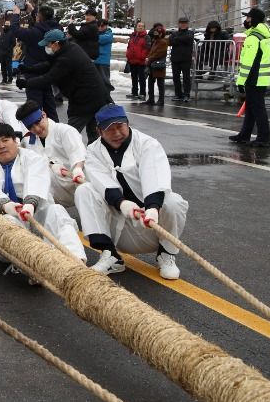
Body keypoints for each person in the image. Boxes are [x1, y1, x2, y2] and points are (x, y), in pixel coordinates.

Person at [75, 104, 188, 280]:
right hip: (120, 225)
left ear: (128, 123)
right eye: (109, 129)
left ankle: (166, 254)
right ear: (99, 131)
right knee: (85, 190)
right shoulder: (93, 151)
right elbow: (101, 183)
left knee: (174, 202)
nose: (117, 133)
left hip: (152, 225)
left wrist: (152, 208)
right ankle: (111, 255)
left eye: (120, 126)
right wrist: (123, 203)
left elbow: (155, 177)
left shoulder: (147, 144)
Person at [0, 122, 86, 269]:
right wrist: (6, 206)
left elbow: (36, 178)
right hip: (10, 215)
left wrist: (30, 204)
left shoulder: (32, 157)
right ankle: (31, 267)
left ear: (15, 141)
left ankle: (76, 262)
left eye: (5, 140)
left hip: (37, 212)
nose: (1, 146)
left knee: (57, 212)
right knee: (8, 222)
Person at [16, 29, 111, 142]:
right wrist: (29, 69)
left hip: (85, 100)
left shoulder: (67, 57)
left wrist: (26, 83)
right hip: (94, 97)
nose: (46, 47)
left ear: (55, 43)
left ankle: (61, 156)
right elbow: (50, 65)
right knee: (94, 136)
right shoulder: (68, 49)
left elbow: (49, 78)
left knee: (68, 134)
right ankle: (95, 156)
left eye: (48, 44)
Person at [15, 100, 86, 207]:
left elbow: (78, 155)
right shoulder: (28, 141)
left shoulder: (65, 131)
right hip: (54, 189)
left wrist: (77, 169)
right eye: (30, 127)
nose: (37, 129)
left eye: (38, 122)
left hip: (77, 182)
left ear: (44, 115)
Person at [230, 8, 270, 147]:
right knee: (251, 107)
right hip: (260, 77)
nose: (246, 21)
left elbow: (248, 62)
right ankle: (245, 135)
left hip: (253, 77)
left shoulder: (254, 37)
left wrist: (241, 81)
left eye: (248, 18)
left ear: (254, 19)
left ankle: (263, 138)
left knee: (258, 108)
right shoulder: (263, 36)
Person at [168, 16, 194, 102]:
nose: (183, 24)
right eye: (181, 23)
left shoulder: (190, 32)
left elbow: (188, 39)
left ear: (187, 24)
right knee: (176, 77)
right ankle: (178, 94)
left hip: (186, 58)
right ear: (179, 24)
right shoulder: (174, 33)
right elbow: (170, 42)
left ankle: (186, 95)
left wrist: (177, 39)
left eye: (185, 23)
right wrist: (181, 40)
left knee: (186, 77)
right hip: (175, 58)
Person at [144, 23, 168, 107]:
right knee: (151, 82)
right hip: (152, 65)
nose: (156, 34)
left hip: (158, 65)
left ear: (161, 33)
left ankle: (161, 100)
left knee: (160, 83)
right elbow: (151, 52)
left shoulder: (163, 42)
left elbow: (159, 54)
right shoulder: (155, 41)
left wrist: (149, 58)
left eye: (157, 33)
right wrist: (148, 58)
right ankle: (151, 99)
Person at [125, 21, 149, 100]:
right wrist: (128, 54)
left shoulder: (146, 37)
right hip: (132, 60)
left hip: (141, 61)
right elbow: (129, 46)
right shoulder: (133, 36)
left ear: (144, 28)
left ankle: (142, 93)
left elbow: (147, 48)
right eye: (139, 26)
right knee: (134, 77)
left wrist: (143, 56)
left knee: (142, 78)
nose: (140, 27)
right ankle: (134, 92)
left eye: (142, 26)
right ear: (136, 27)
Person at [94, 18, 114, 90]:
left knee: (105, 81)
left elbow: (100, 40)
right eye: (98, 25)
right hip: (95, 60)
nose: (100, 27)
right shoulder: (96, 34)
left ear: (106, 26)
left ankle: (107, 98)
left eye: (102, 26)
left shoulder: (109, 34)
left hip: (103, 62)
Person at [0, 19, 15, 84]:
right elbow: (0, 42)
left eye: (7, 25)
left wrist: (8, 50)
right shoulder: (3, 33)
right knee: (3, 67)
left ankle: (10, 79)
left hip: (8, 53)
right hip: (2, 53)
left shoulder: (11, 33)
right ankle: (4, 79)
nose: (6, 26)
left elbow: (13, 43)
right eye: (5, 25)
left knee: (9, 67)